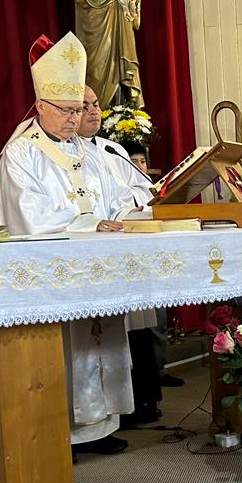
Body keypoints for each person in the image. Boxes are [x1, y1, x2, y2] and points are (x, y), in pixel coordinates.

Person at [0, 32, 146, 456]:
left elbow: (120, 195)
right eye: (64, 110)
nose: (72, 118)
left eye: (78, 110)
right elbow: (27, 211)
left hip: (99, 266)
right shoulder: (22, 153)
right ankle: (64, 431)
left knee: (104, 338)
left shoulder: (93, 152)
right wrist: (87, 222)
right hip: (55, 269)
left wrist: (124, 215)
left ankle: (101, 425)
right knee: (69, 347)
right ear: (41, 105)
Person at [76, 86, 167, 424]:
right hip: (94, 250)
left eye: (96, 105)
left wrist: (131, 203)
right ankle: (103, 412)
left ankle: (144, 400)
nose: (93, 112)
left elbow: (144, 189)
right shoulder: (67, 155)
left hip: (126, 246)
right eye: (83, 107)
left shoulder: (112, 149)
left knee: (138, 324)